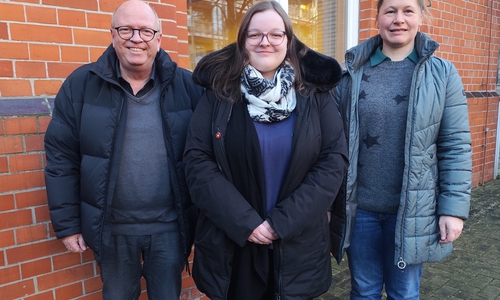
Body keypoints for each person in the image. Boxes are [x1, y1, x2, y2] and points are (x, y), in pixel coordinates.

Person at [183, 1, 348, 299]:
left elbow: (333, 161)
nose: (265, 42)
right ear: (243, 40)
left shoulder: (315, 93)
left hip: (298, 244)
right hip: (235, 242)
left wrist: (280, 223)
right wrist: (245, 222)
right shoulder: (218, 92)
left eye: (275, 34)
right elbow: (197, 162)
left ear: (288, 40)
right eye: (255, 34)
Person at [44, 0, 203, 299]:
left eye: (145, 31)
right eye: (126, 29)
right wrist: (67, 225)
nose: (136, 38)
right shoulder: (80, 85)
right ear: (112, 34)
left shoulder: (189, 86)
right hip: (111, 228)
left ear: (159, 37)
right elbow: (61, 159)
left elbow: (207, 157)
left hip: (170, 227)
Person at [333, 0, 473, 299]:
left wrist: (452, 210)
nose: (399, 19)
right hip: (360, 211)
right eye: (390, 11)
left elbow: (455, 146)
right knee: (364, 290)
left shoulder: (443, 75)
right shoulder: (350, 73)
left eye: (408, 11)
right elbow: (332, 146)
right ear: (377, 18)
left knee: (404, 293)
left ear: (421, 16)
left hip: (413, 211)